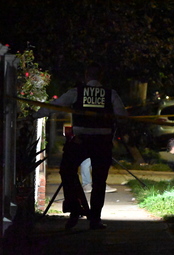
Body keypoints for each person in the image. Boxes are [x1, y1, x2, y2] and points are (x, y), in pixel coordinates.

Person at [32, 62, 127, 229]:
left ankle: (75, 209)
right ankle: (95, 219)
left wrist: (34, 116)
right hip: (102, 143)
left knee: (67, 171)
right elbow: (122, 116)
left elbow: (53, 106)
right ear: (101, 77)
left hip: (80, 141)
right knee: (99, 181)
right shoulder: (111, 94)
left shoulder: (77, 92)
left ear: (85, 76)